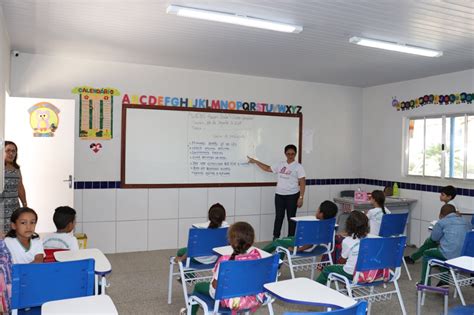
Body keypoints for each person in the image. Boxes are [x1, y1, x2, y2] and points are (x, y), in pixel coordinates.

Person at [188, 222, 264, 315]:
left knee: (198, 287)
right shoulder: (256, 257)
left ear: (230, 241)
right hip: (249, 296)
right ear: (251, 242)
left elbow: (216, 285)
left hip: (228, 298)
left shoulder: (225, 261)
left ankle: (189, 313)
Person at [248, 144, 306, 240]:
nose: (290, 156)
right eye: (288, 154)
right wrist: (255, 161)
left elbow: (302, 182)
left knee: (291, 218)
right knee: (279, 217)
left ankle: (290, 239)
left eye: (292, 154)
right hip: (279, 195)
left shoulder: (298, 167)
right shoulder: (280, 164)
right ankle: (275, 238)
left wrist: (301, 197)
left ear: (295, 154)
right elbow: (267, 168)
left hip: (292, 195)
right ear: (285, 154)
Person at [418, 204, 471, 285]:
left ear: (441, 214)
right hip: (464, 256)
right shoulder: (466, 221)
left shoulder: (442, 222)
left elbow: (434, 239)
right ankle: (443, 283)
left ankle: (424, 283)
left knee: (427, 253)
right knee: (444, 254)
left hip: (450, 254)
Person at [405, 185, 457, 264]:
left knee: (429, 242)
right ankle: (414, 257)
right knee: (429, 242)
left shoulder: (450, 206)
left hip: (447, 234)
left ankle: (413, 258)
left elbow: (445, 222)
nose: (440, 196)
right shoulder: (450, 205)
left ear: (449, 197)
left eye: (443, 195)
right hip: (448, 232)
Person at [262, 200, 338, 253]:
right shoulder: (328, 225)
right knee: (284, 241)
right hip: (315, 246)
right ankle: (277, 265)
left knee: (278, 242)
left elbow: (310, 243)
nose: (317, 210)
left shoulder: (316, 226)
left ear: (321, 214)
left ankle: (259, 255)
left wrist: (298, 250)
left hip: (302, 246)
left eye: (318, 209)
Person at [316, 211, 369, 284]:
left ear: (348, 225)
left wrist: (337, 263)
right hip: (366, 272)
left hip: (350, 273)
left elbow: (342, 261)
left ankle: (316, 287)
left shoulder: (347, 241)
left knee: (327, 269)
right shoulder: (369, 239)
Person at [1, 141, 27, 234]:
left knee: (13, 232)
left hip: (14, 206)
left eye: (13, 151)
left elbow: (20, 186)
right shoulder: (0, 168)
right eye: (8, 151)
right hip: (2, 208)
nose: (11, 153)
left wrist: (24, 204)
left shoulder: (16, 168)